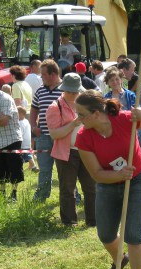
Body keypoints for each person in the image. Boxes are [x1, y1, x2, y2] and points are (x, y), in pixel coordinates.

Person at [74, 90, 141, 269]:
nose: (78, 119)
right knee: (106, 234)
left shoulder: (125, 119)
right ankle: (121, 258)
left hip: (137, 180)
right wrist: (118, 175)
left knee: (133, 234)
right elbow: (96, 174)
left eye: (81, 114)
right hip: (107, 184)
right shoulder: (83, 137)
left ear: (95, 114)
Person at [47, 73, 96, 226]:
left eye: (77, 91)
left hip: (86, 151)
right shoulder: (55, 107)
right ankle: (69, 222)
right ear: (64, 89)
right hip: (66, 153)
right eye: (71, 91)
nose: (75, 94)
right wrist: (73, 124)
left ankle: (93, 221)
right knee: (67, 189)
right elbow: (55, 134)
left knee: (91, 187)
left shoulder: (86, 104)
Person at [30, 59, 63, 201]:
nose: (41, 77)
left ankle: (73, 196)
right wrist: (33, 126)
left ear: (53, 74)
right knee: (44, 168)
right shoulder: (40, 90)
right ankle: (41, 195)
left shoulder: (66, 89)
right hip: (43, 135)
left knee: (65, 170)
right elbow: (33, 110)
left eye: (43, 74)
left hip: (62, 136)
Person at [17, 106, 38, 172]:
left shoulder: (20, 123)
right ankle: (31, 166)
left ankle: (33, 166)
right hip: (28, 142)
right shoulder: (26, 121)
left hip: (23, 142)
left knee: (26, 155)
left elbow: (20, 133)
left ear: (21, 114)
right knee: (28, 153)